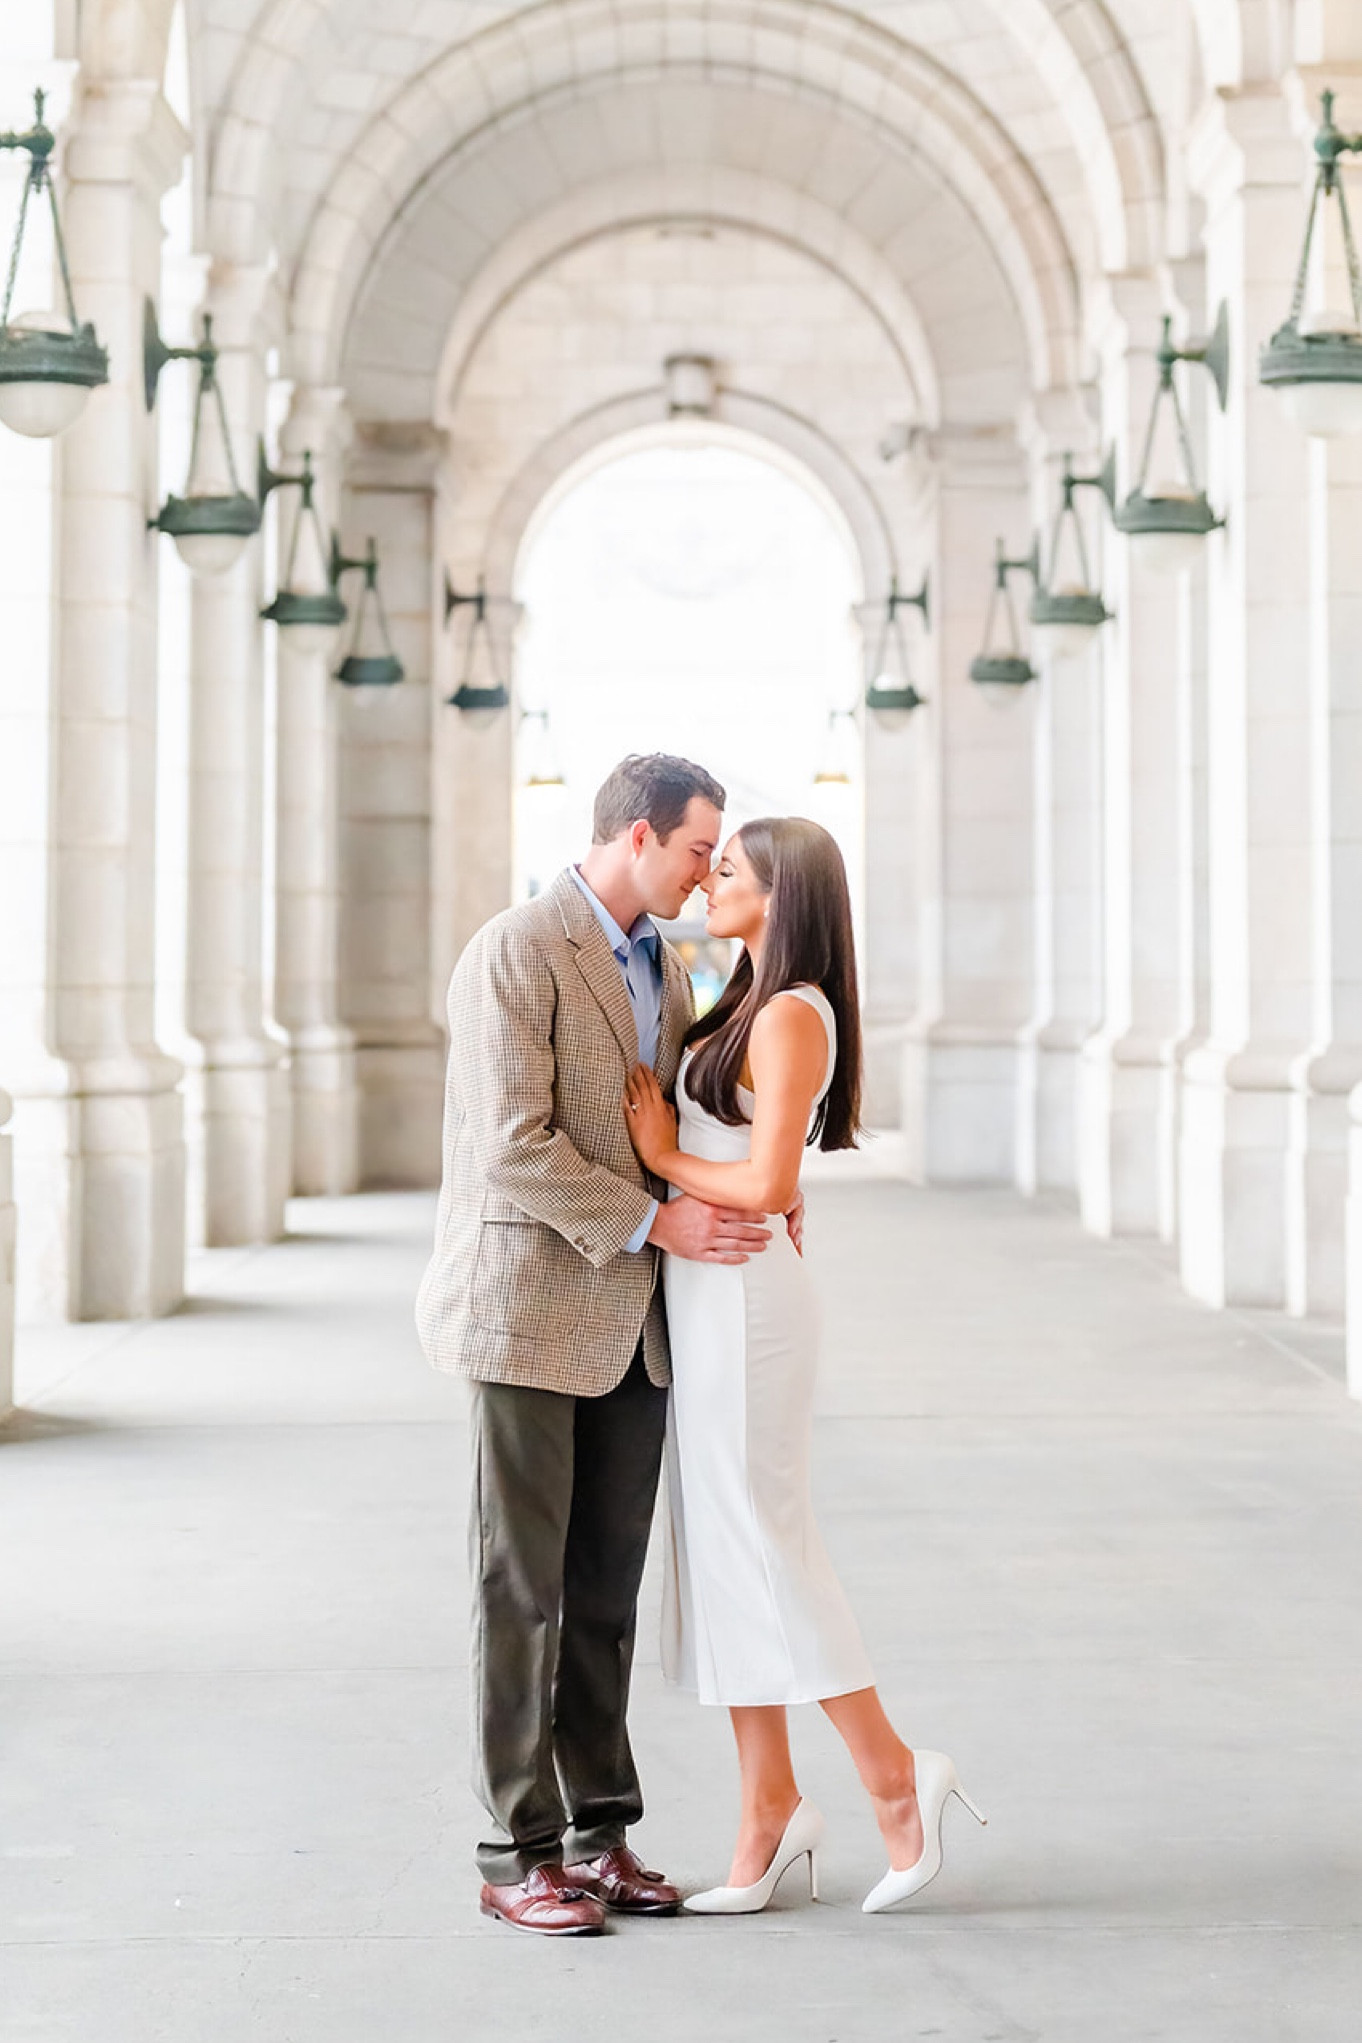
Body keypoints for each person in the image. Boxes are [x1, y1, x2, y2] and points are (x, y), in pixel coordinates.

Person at [416, 754, 792, 1938]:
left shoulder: (666, 966)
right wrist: (653, 1216)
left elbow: (664, 1120)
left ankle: (601, 1836)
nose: (706, 868)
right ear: (637, 836)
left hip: (635, 1326)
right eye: (696, 847)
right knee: (519, 1590)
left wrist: (740, 1188)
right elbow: (510, 1146)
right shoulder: (517, 949)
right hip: (528, 1311)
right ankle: (512, 1853)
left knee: (604, 1594)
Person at [624, 817, 986, 1915]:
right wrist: (691, 1176)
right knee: (725, 1546)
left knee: (766, 1539)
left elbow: (770, 1181)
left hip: (747, 1300)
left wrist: (658, 1159)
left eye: (728, 868)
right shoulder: (741, 1000)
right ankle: (767, 1810)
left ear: (782, 896)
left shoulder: (789, 1013)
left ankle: (893, 1777)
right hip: (711, 1292)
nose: (709, 877)